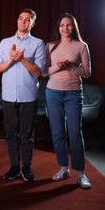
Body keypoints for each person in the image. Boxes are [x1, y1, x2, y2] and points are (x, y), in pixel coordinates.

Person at [0, 8, 45, 182]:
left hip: (28, 96)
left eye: (27, 19)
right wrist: (11, 59)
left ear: (33, 23)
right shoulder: (5, 42)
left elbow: (39, 72)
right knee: (11, 133)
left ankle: (27, 167)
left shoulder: (38, 43)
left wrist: (22, 59)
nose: (23, 22)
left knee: (27, 135)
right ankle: (14, 166)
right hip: (8, 96)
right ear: (17, 21)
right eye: (20, 18)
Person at [43, 13, 92, 189]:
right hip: (53, 93)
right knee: (57, 133)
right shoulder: (50, 46)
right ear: (58, 27)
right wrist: (59, 66)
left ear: (74, 27)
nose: (65, 28)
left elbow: (87, 73)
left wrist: (71, 66)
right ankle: (64, 168)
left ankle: (81, 173)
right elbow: (44, 71)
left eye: (69, 25)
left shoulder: (81, 45)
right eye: (62, 25)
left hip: (73, 94)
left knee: (75, 133)